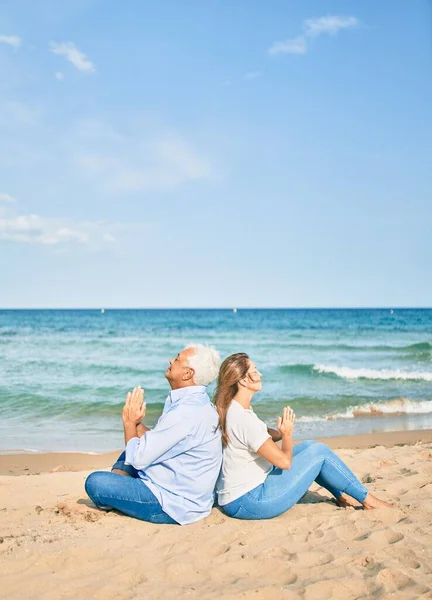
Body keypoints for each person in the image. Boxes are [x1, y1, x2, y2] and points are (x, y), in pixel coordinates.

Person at [214, 352, 393, 520]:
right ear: (243, 380)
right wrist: (287, 434)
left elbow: (258, 435)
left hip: (237, 497)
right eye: (254, 371)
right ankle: (369, 501)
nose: (260, 374)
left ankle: (341, 496)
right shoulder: (244, 420)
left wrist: (279, 432)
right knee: (320, 453)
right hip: (250, 501)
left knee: (310, 446)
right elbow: (285, 462)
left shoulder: (232, 408)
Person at [85, 344, 222, 525]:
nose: (170, 360)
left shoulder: (185, 412)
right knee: (129, 451)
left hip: (174, 504)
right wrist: (137, 423)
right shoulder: (195, 400)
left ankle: (118, 492)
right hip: (185, 490)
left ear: (188, 374)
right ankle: (121, 486)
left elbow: (138, 458)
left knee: (96, 482)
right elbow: (161, 440)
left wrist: (128, 423)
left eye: (177, 359)